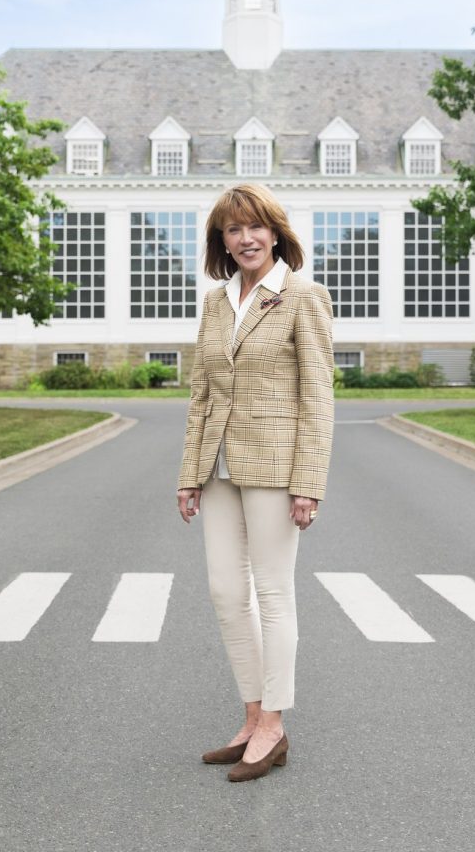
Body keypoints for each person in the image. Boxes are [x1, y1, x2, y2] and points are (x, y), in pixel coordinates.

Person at [176, 182, 334, 782]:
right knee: (223, 591)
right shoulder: (217, 302)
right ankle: (249, 718)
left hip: (275, 465)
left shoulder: (302, 297)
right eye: (233, 229)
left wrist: (308, 481)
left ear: (276, 232)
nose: (245, 238)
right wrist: (189, 473)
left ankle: (273, 724)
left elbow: (317, 396)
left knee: (272, 591)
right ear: (222, 239)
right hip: (217, 467)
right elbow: (201, 393)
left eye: (256, 227)